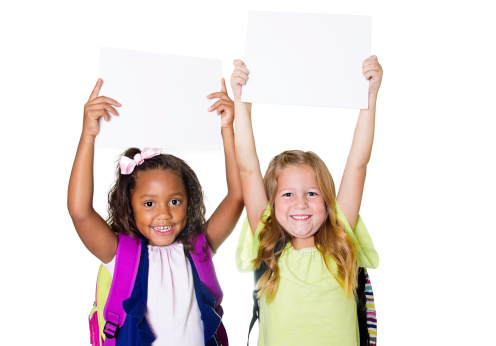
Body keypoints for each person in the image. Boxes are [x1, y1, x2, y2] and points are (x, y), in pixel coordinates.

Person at [68, 77, 243, 345]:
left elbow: (237, 196)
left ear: (189, 202)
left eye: (175, 201)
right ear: (130, 206)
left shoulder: (197, 248)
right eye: (149, 204)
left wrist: (228, 129)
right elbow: (80, 211)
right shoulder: (120, 255)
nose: (164, 214)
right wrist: (88, 135)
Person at [231, 56, 382, 345]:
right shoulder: (267, 244)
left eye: (312, 193)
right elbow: (247, 168)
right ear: (272, 206)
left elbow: (357, 164)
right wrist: (242, 100)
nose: (300, 203)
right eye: (287, 194)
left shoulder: (341, 239)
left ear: (327, 202)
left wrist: (370, 96)